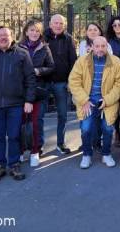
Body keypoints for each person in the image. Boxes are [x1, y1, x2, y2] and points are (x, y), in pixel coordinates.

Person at [0, 26, 35, 183]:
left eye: (6, 35)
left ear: (12, 37)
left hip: (16, 103)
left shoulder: (22, 54)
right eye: (0, 35)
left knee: (14, 136)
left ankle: (14, 164)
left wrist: (29, 100)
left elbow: (30, 78)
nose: (3, 38)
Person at [68, 37, 120, 169]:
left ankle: (106, 154)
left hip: (107, 100)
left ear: (107, 47)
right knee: (86, 129)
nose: (100, 49)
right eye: (97, 46)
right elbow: (74, 82)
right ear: (92, 46)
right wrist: (84, 100)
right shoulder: (82, 61)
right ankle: (87, 155)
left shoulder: (116, 62)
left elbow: (119, 85)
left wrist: (107, 100)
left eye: (103, 46)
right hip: (87, 101)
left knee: (108, 129)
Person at [18, 20, 55, 167]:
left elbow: (51, 67)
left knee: (36, 122)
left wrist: (38, 71)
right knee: (20, 122)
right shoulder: (18, 48)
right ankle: (20, 150)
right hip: (21, 91)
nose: (34, 33)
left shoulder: (45, 48)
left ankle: (36, 150)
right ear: (26, 32)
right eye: (32, 30)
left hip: (39, 90)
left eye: (37, 31)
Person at [44, 14, 77, 154]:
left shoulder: (68, 39)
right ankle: (38, 145)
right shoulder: (42, 37)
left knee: (62, 115)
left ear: (64, 25)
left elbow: (73, 61)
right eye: (55, 23)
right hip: (44, 82)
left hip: (61, 82)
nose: (58, 25)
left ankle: (60, 143)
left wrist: (70, 81)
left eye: (61, 23)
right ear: (50, 24)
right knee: (39, 116)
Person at [106, 16, 120, 146]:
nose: (117, 27)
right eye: (114, 25)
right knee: (116, 106)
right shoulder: (109, 42)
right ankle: (117, 133)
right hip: (115, 78)